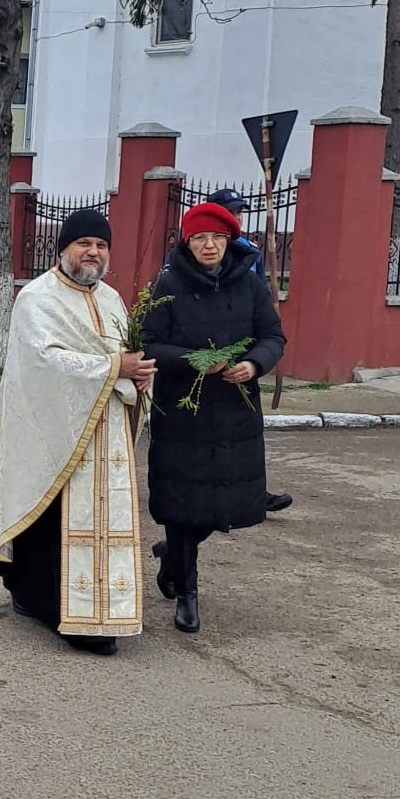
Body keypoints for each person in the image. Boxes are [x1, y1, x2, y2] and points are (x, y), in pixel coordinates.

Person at [0, 209, 153, 653]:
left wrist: (141, 374)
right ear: (63, 248)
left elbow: (125, 354)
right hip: (49, 428)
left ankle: (101, 605)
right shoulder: (37, 298)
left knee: (99, 516)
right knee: (51, 514)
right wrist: (116, 367)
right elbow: (43, 362)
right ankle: (57, 608)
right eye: (83, 243)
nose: (93, 252)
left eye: (101, 245)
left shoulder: (112, 299)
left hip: (105, 426)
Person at [141, 200, 286, 635]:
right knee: (183, 505)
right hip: (183, 413)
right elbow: (149, 343)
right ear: (188, 242)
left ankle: (172, 554)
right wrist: (195, 360)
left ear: (229, 240)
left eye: (218, 237)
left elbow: (272, 335)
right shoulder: (168, 284)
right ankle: (187, 592)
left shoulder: (249, 284)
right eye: (201, 238)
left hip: (234, 414)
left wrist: (254, 364)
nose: (209, 245)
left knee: (221, 505)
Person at [208, 186, 293, 515]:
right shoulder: (193, 250)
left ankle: (254, 494)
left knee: (246, 431)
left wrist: (257, 352)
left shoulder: (248, 251)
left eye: (239, 212)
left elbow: (258, 302)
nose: (237, 217)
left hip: (242, 352)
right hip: (206, 354)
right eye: (230, 211)